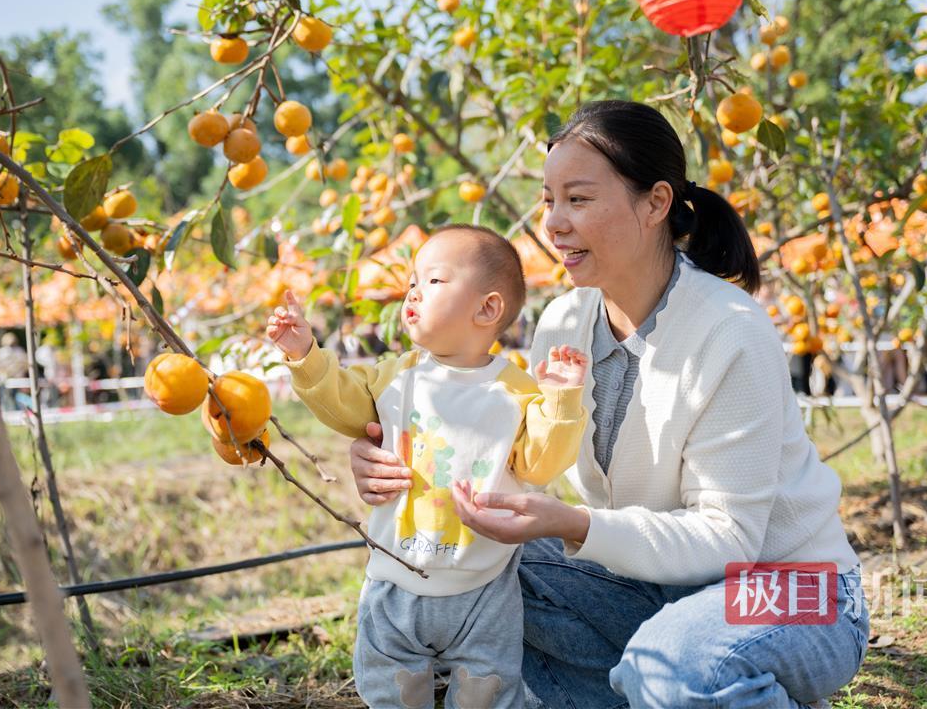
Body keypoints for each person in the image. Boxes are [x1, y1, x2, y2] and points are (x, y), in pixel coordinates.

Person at [350, 101, 869, 709]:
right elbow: (502, 449)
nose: (554, 223)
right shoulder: (563, 324)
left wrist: (573, 524)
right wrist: (394, 457)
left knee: (673, 666)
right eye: (549, 200)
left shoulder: (731, 331)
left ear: (655, 203)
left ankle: (700, 682)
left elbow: (729, 540)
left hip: (796, 590)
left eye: (578, 199)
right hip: (655, 588)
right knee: (470, 571)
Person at [266, 224, 590, 709]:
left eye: (433, 281)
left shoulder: (516, 390)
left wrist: (561, 399)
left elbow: (541, 463)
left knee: (487, 690)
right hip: (395, 578)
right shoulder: (397, 375)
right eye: (413, 282)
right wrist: (305, 357)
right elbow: (344, 404)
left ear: (488, 309)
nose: (413, 292)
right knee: (391, 688)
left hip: (484, 589)